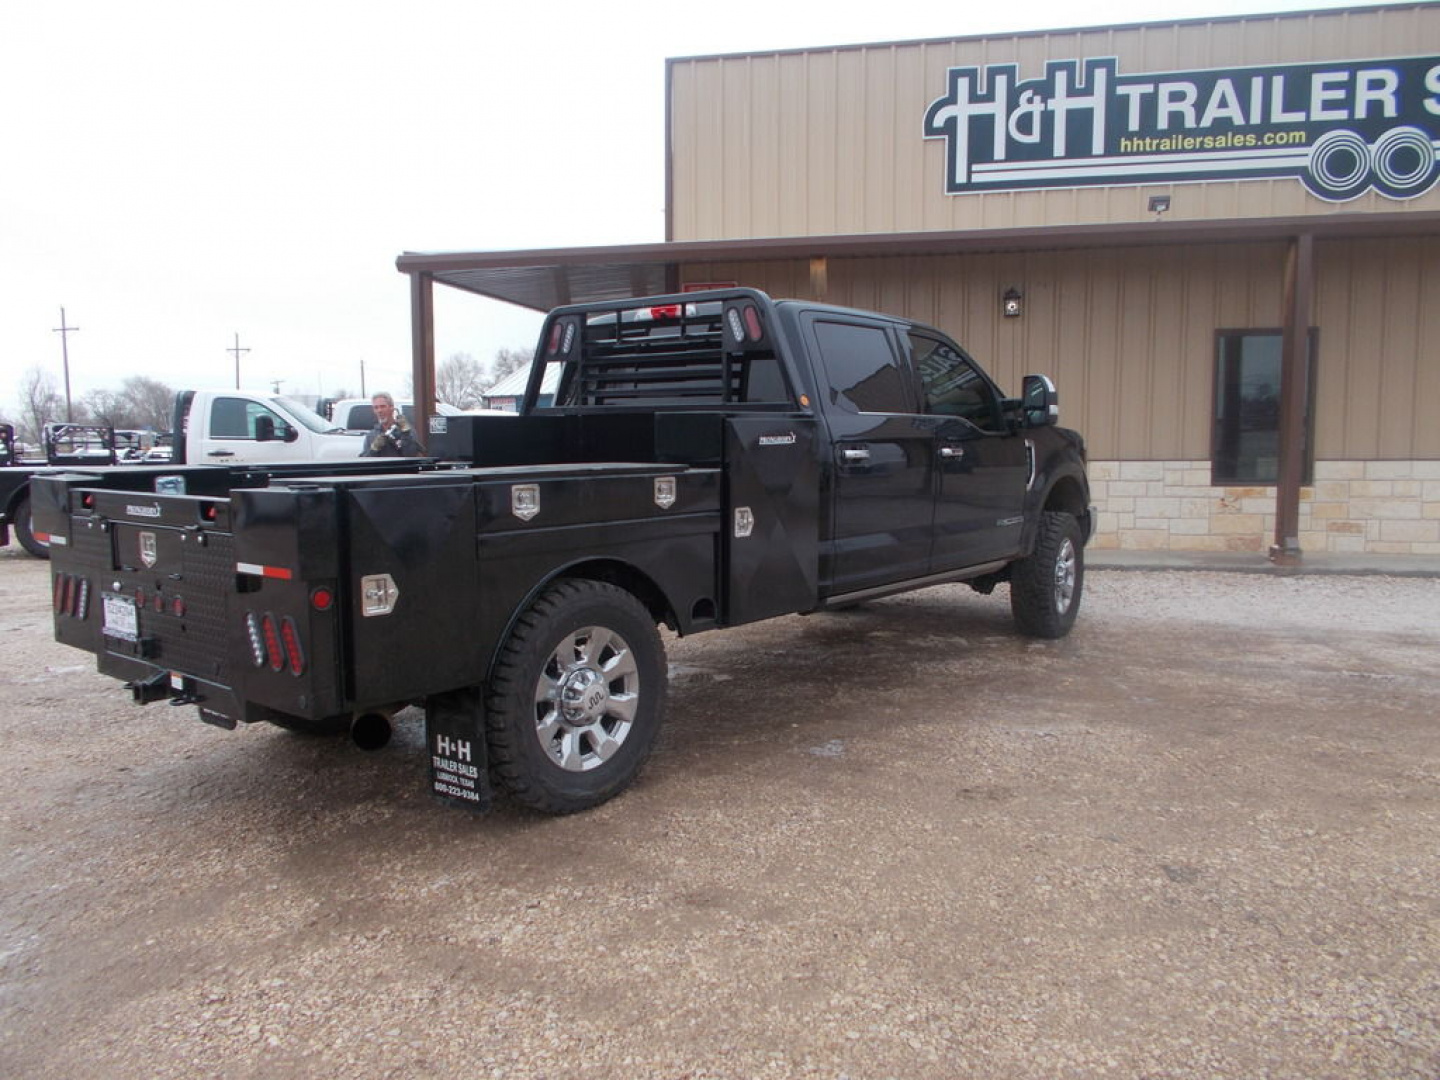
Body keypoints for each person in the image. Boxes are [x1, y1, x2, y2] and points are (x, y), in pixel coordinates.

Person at [361, 392, 425, 457]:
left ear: (392, 407)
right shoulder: (371, 435)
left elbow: (412, 455)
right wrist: (373, 449)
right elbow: (364, 460)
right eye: (376, 407)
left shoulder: (406, 430)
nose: (379, 410)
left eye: (383, 406)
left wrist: (406, 435)